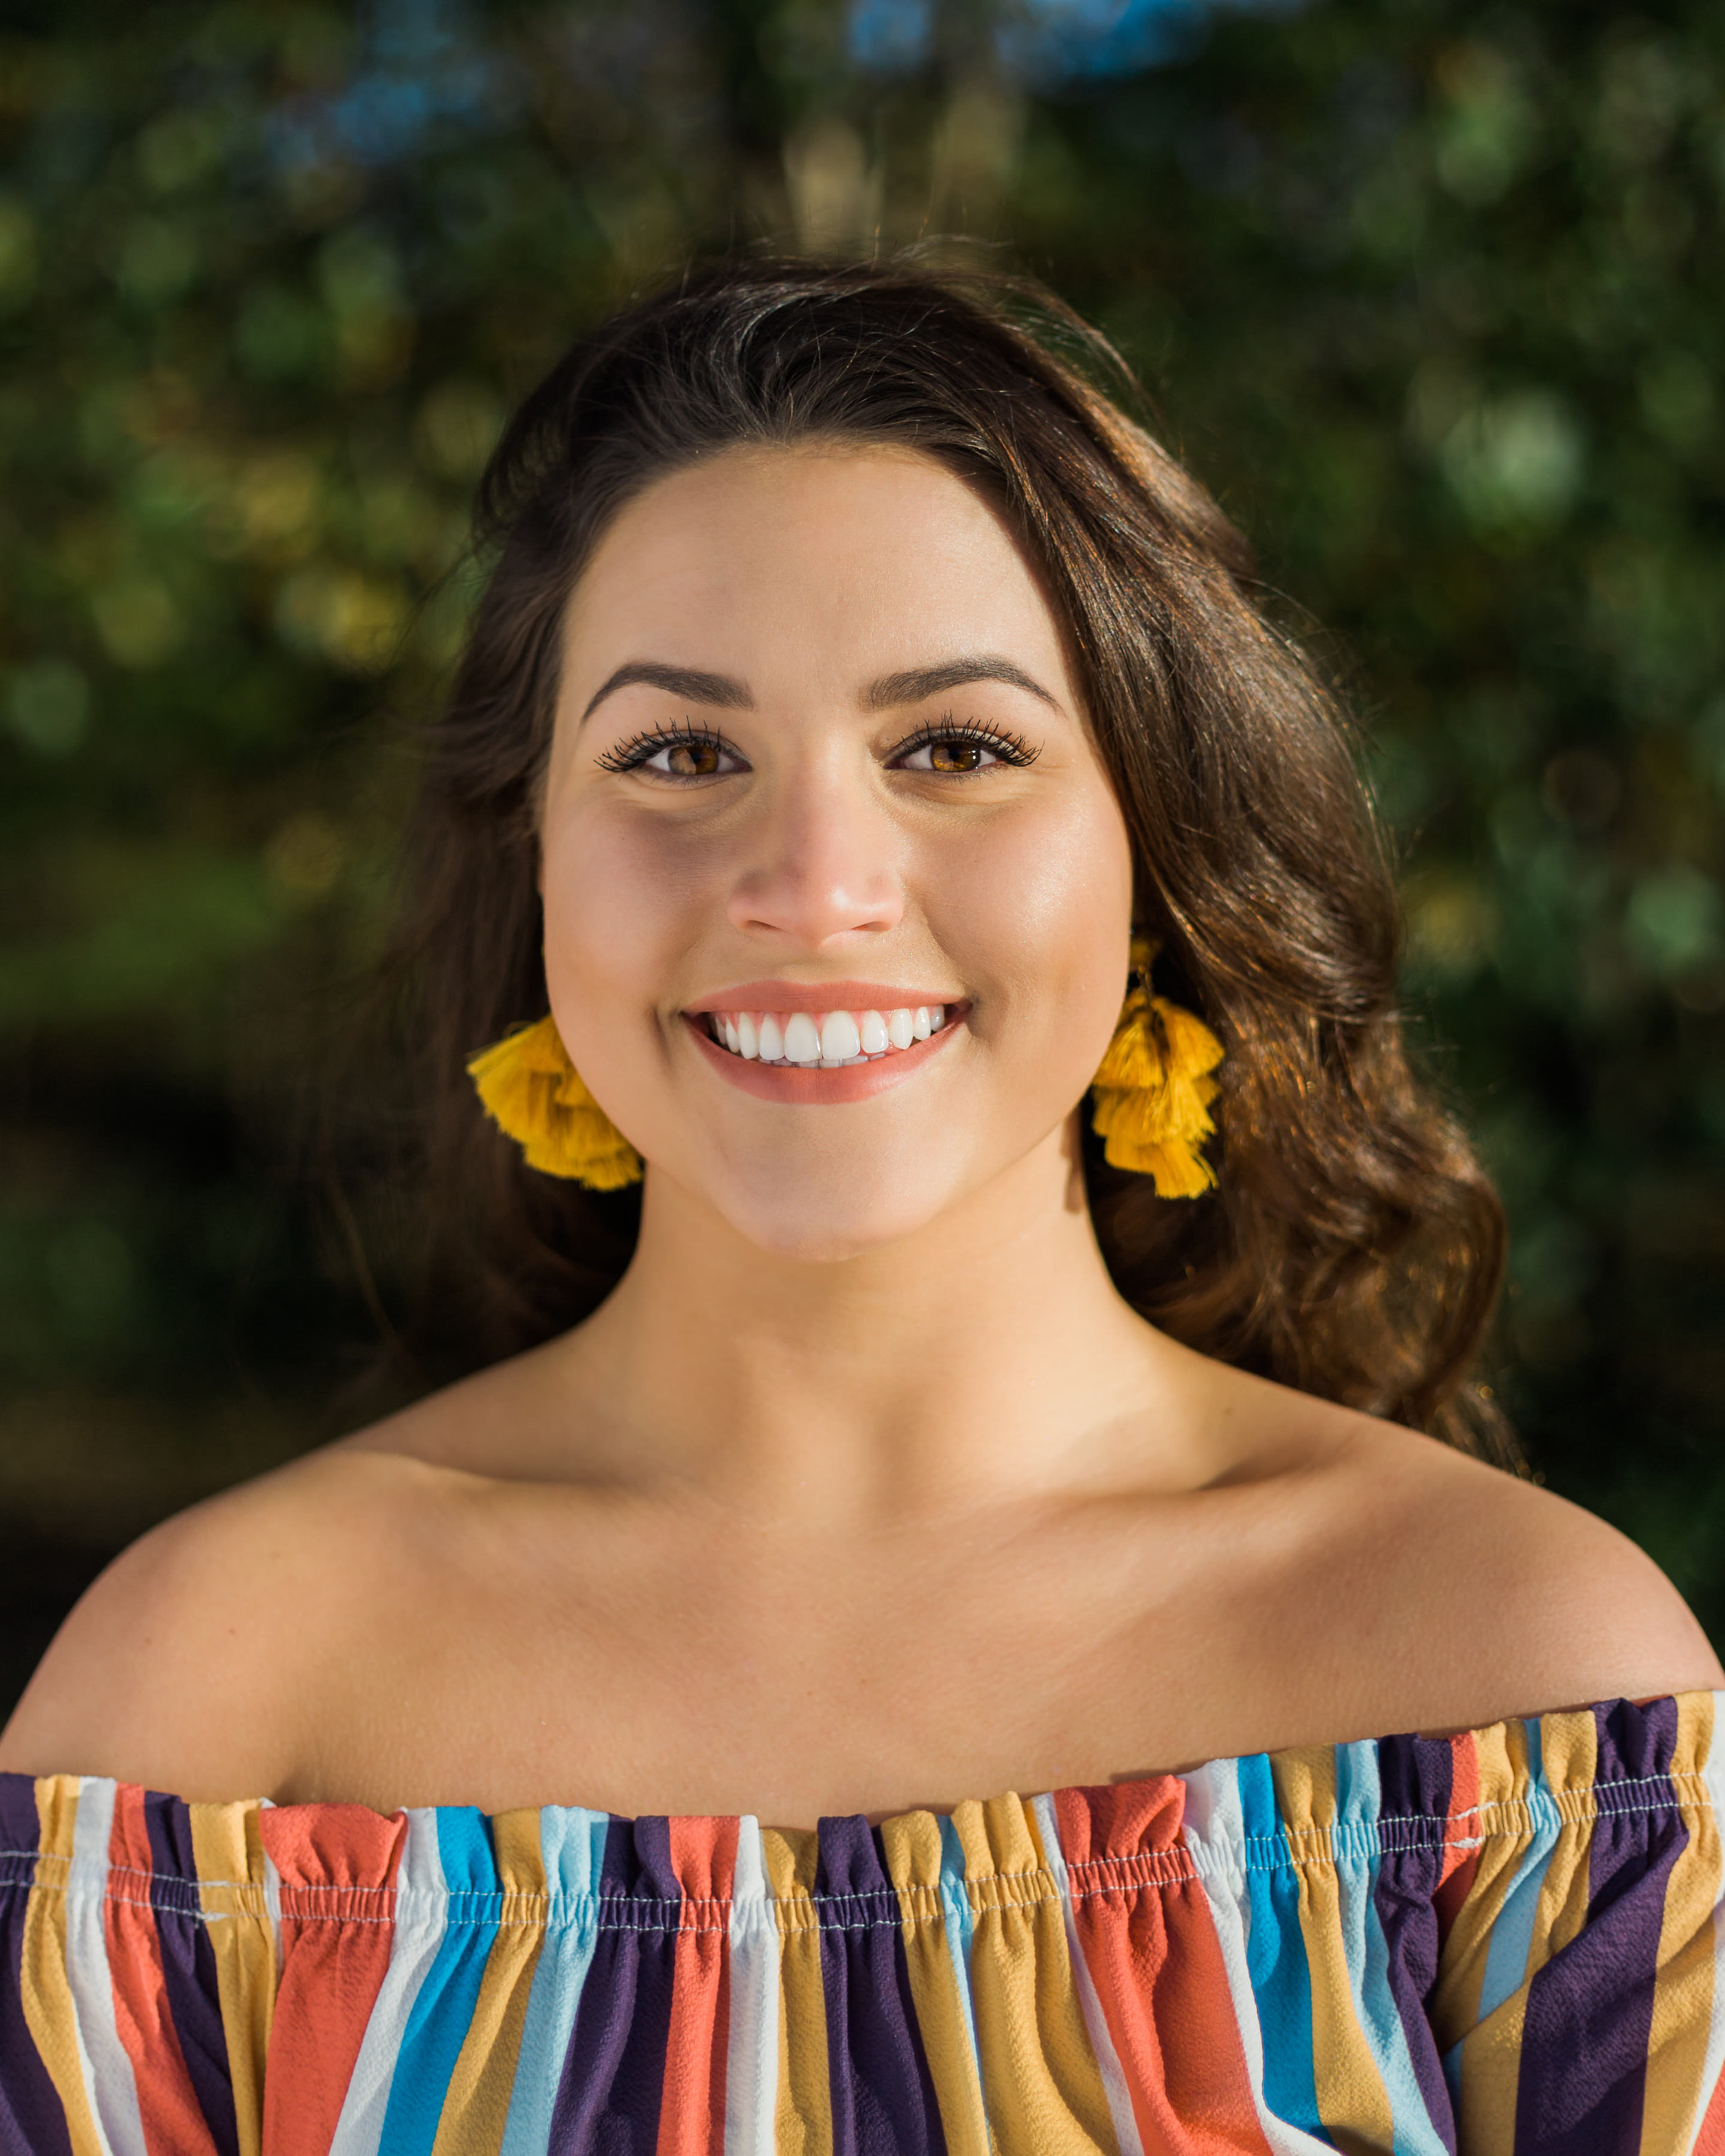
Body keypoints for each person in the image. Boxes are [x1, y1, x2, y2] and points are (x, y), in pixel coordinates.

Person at [1, 258, 1720, 2154]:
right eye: (676, 754)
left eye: (956, 750)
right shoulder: (215, 1707)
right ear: (541, 865)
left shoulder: (1527, 1701)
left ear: (1150, 855)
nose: (812, 884)